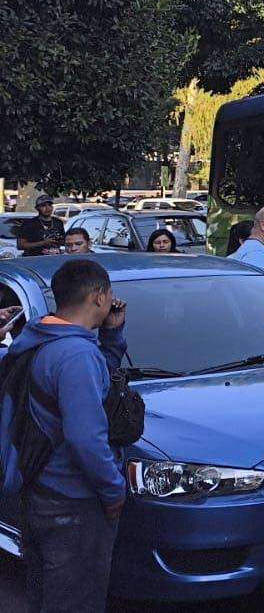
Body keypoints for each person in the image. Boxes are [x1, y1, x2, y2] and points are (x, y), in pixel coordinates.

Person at [5, 259, 127, 610]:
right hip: (72, 502)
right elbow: (86, 439)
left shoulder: (38, 337)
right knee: (76, 601)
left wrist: (112, 337)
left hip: (39, 492)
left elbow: (90, 388)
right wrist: (113, 489)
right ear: (100, 296)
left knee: (46, 595)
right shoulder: (76, 354)